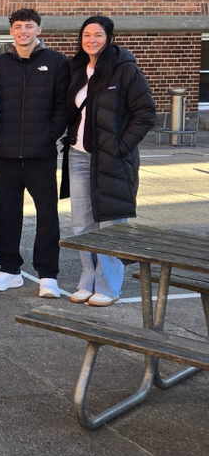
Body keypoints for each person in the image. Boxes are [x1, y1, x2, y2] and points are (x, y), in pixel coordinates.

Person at [61, 15, 156, 306]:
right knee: (82, 224)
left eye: (98, 35)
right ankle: (87, 279)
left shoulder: (125, 70)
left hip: (111, 159)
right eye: (87, 35)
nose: (91, 40)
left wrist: (120, 147)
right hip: (78, 156)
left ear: (109, 38)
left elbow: (146, 113)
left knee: (111, 224)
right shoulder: (77, 68)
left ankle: (109, 286)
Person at [0, 8, 70, 298]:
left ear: (39, 30)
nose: (23, 31)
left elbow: (63, 105)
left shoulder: (56, 62)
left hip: (41, 154)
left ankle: (48, 274)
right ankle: (9, 270)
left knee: (47, 215)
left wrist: (50, 133)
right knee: (5, 215)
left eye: (29, 26)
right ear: (11, 31)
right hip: (6, 154)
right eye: (18, 26)